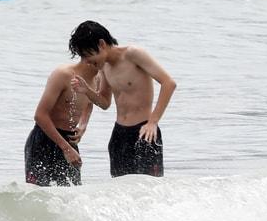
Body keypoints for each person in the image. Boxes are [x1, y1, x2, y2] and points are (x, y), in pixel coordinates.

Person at [67, 21, 177, 178]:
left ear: (102, 44)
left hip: (144, 132)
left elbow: (168, 83)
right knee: (120, 190)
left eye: (87, 55)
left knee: (149, 190)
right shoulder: (104, 66)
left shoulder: (133, 54)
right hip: (119, 135)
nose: (86, 61)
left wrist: (153, 122)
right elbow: (105, 102)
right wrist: (87, 91)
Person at [26, 52, 101, 186]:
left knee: (72, 195)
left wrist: (83, 126)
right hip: (44, 140)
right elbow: (40, 115)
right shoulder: (63, 74)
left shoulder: (98, 78)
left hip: (70, 140)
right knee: (38, 196)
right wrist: (66, 149)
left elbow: (89, 103)